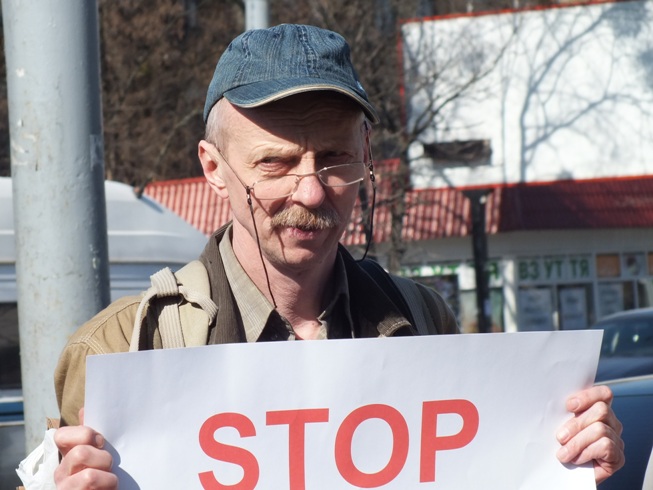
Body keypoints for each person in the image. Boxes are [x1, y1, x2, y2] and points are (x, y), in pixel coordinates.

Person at [51, 24, 624, 488]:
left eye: (334, 159)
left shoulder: (423, 321)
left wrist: (566, 462)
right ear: (213, 168)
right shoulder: (124, 348)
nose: (310, 191)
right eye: (274, 164)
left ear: (366, 153)